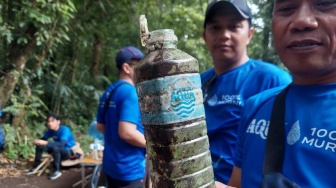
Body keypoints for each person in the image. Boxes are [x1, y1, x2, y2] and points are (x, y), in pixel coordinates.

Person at [215, 0, 336, 187]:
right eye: (287, 9)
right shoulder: (257, 105)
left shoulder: (269, 77)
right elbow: (238, 184)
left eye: (325, 3)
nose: (302, 21)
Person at [201, 0, 292, 184]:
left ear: (250, 34)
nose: (224, 35)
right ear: (204, 36)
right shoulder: (199, 82)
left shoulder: (273, 80)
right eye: (215, 27)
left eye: (234, 27)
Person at [96, 46, 146, 188]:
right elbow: (127, 132)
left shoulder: (110, 91)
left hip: (111, 165)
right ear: (126, 68)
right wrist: (154, 146)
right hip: (129, 168)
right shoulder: (131, 93)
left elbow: (100, 125)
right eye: (140, 66)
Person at [26, 114, 77, 180]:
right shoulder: (50, 131)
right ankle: (37, 166)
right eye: (49, 121)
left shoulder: (65, 130)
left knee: (56, 148)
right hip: (56, 150)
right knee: (40, 146)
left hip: (67, 152)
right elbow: (43, 139)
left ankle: (57, 170)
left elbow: (61, 144)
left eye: (52, 121)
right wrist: (37, 141)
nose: (50, 123)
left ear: (58, 122)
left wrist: (45, 142)